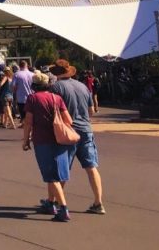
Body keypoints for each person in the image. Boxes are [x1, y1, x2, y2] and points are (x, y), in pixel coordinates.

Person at [50, 59, 105, 215]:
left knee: (63, 167)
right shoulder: (83, 86)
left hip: (68, 130)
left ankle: (56, 201)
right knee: (91, 167)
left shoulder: (56, 87)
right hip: (86, 129)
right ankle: (98, 201)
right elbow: (91, 111)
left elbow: (55, 111)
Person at [23, 71, 74, 222]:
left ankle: (63, 209)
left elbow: (28, 122)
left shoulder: (32, 98)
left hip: (42, 140)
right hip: (59, 140)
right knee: (58, 173)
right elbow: (69, 120)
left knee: (51, 176)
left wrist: (25, 140)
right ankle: (50, 203)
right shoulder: (56, 98)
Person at [12, 60, 34, 126]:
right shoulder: (32, 74)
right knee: (31, 115)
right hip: (32, 97)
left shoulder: (16, 74)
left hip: (21, 98)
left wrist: (15, 92)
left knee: (23, 115)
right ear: (26, 66)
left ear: (19, 66)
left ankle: (26, 129)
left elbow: (13, 87)